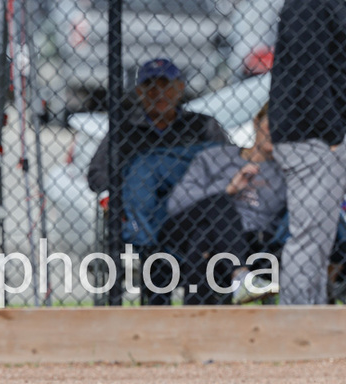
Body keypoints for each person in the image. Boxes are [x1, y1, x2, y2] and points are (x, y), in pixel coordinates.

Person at [87, 57, 229, 304]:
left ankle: (201, 314)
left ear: (180, 87)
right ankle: (156, 311)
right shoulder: (124, 129)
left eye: (166, 84)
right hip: (145, 219)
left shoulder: (202, 126)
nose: (158, 92)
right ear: (139, 91)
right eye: (150, 85)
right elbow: (97, 174)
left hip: (194, 215)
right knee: (155, 245)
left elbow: (227, 166)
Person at [164, 102, 286, 305]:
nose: (277, 131)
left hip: (246, 240)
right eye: (272, 124)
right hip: (184, 226)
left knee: (203, 237)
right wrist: (228, 189)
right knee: (218, 203)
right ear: (256, 123)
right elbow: (176, 203)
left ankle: (195, 319)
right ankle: (240, 276)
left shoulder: (286, 173)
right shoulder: (214, 157)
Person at [268, 0, 346, 305]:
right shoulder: (307, 4)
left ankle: (309, 320)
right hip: (311, 137)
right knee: (310, 239)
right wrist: (332, 132)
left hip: (321, 135)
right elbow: (308, 71)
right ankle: (296, 325)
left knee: (319, 239)